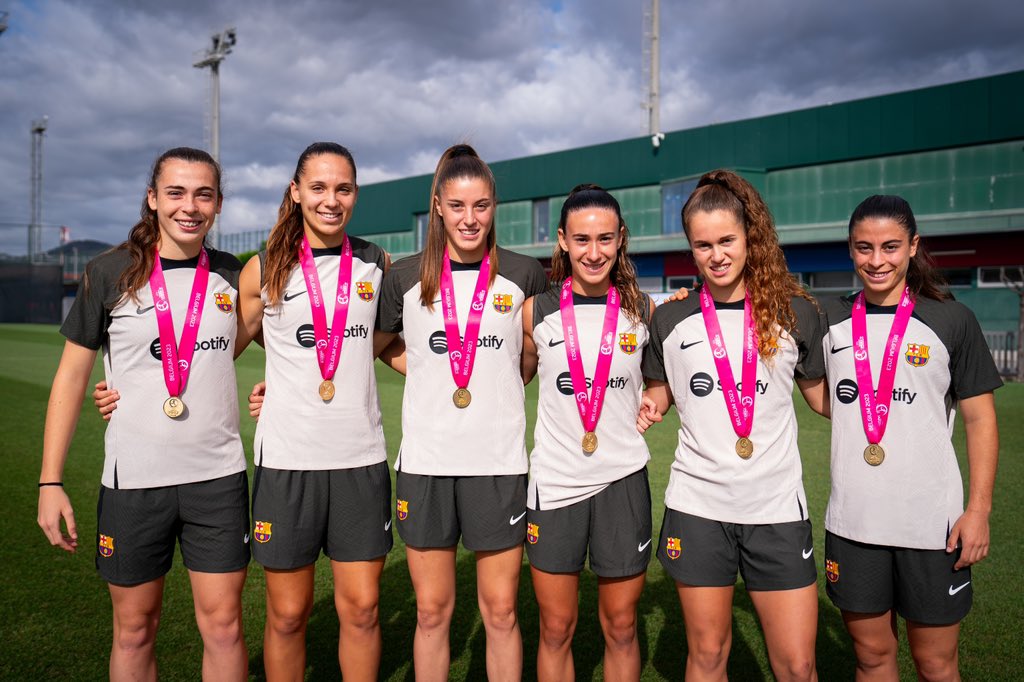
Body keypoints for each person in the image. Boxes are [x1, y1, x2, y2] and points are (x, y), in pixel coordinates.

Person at [93, 142, 404, 681]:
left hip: (360, 457)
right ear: (296, 192)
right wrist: (130, 390)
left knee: (363, 609)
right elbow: (211, 351)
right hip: (285, 462)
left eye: (344, 188)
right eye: (319, 187)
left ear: (355, 194)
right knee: (285, 615)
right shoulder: (261, 270)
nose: (331, 199)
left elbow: (375, 345)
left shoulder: (377, 263)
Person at [38, 147, 251, 681]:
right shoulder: (109, 271)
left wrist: (276, 390)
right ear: (153, 199)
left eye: (204, 194)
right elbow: (70, 378)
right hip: (134, 480)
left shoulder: (234, 275)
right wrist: (50, 481)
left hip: (217, 478)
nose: (190, 206)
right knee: (134, 628)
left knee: (224, 625)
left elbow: (278, 347)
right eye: (176, 192)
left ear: (219, 203)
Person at [638, 169, 826, 681]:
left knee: (797, 663)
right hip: (699, 508)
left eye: (727, 240)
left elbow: (825, 402)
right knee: (707, 656)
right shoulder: (670, 320)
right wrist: (648, 407)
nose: (716, 254)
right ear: (690, 249)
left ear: (749, 238)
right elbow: (658, 392)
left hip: (776, 508)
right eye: (703, 245)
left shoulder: (794, 312)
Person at [376, 143, 548, 681]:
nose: (469, 219)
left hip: (498, 466)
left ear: (495, 205)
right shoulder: (404, 277)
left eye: (480, 206)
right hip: (426, 466)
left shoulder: (524, 274)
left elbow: (534, 355)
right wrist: (432, 370)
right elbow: (373, 345)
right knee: (432, 612)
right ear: (438, 206)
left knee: (499, 612)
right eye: (457, 206)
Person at [820, 195, 1001, 681]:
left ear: (913, 246)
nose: (876, 260)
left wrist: (979, 510)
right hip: (854, 524)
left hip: (932, 528)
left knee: (936, 664)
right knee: (872, 658)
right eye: (864, 247)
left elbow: (980, 420)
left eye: (890, 247)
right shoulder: (828, 319)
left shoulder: (951, 319)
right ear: (851, 250)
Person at [521, 184, 655, 681]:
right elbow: (508, 376)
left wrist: (654, 402)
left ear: (621, 239)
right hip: (555, 483)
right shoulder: (534, 312)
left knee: (620, 625)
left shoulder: (644, 311)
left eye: (604, 239)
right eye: (581, 239)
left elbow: (665, 386)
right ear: (562, 240)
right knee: (556, 627)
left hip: (622, 480)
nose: (593, 252)